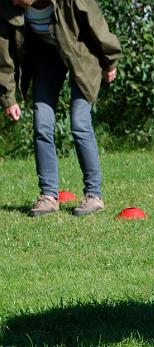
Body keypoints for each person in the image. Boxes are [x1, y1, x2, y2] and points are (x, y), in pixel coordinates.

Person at [0, 0, 121, 217]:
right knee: (42, 124)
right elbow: (4, 54)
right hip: (46, 59)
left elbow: (97, 25)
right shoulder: (9, 6)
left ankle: (94, 195)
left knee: (79, 122)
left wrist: (109, 61)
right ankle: (48, 196)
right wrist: (9, 97)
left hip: (81, 56)